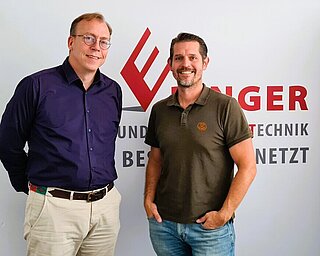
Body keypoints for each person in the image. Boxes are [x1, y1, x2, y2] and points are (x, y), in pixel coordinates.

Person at [0, 13, 122, 256]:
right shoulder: (36, 86)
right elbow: (7, 142)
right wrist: (28, 184)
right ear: (70, 42)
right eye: (88, 38)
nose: (96, 47)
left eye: (103, 41)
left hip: (104, 208)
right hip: (53, 208)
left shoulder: (113, 91)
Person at [144, 32, 257, 256]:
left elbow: (248, 166)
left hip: (210, 231)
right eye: (178, 58)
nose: (185, 64)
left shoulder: (226, 106)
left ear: (205, 62)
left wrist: (224, 214)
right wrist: (148, 200)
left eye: (192, 58)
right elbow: (156, 160)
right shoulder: (159, 110)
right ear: (170, 65)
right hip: (164, 226)